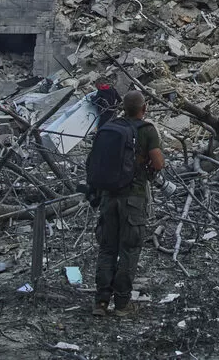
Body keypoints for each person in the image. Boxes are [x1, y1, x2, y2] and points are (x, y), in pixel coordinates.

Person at [93, 90, 163, 317]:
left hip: (108, 196)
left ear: (123, 108)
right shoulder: (147, 130)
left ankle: (101, 302)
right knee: (129, 250)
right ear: (144, 109)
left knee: (107, 248)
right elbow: (158, 163)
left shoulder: (111, 127)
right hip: (133, 197)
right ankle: (122, 304)